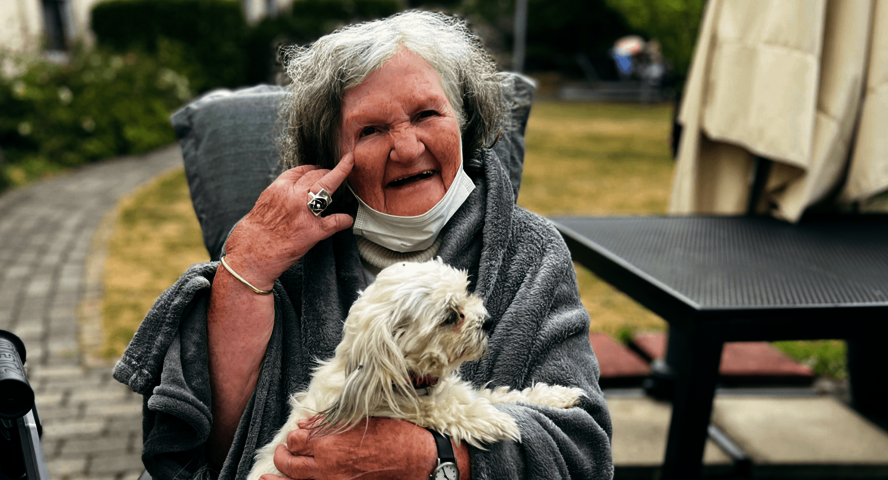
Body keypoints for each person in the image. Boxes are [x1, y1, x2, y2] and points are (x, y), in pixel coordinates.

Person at [114, 10, 613, 480]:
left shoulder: (531, 252)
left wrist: (434, 459)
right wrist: (246, 268)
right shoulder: (288, 261)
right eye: (371, 130)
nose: (407, 147)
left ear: (463, 122)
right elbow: (215, 452)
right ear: (333, 157)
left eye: (426, 114)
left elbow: (585, 449)